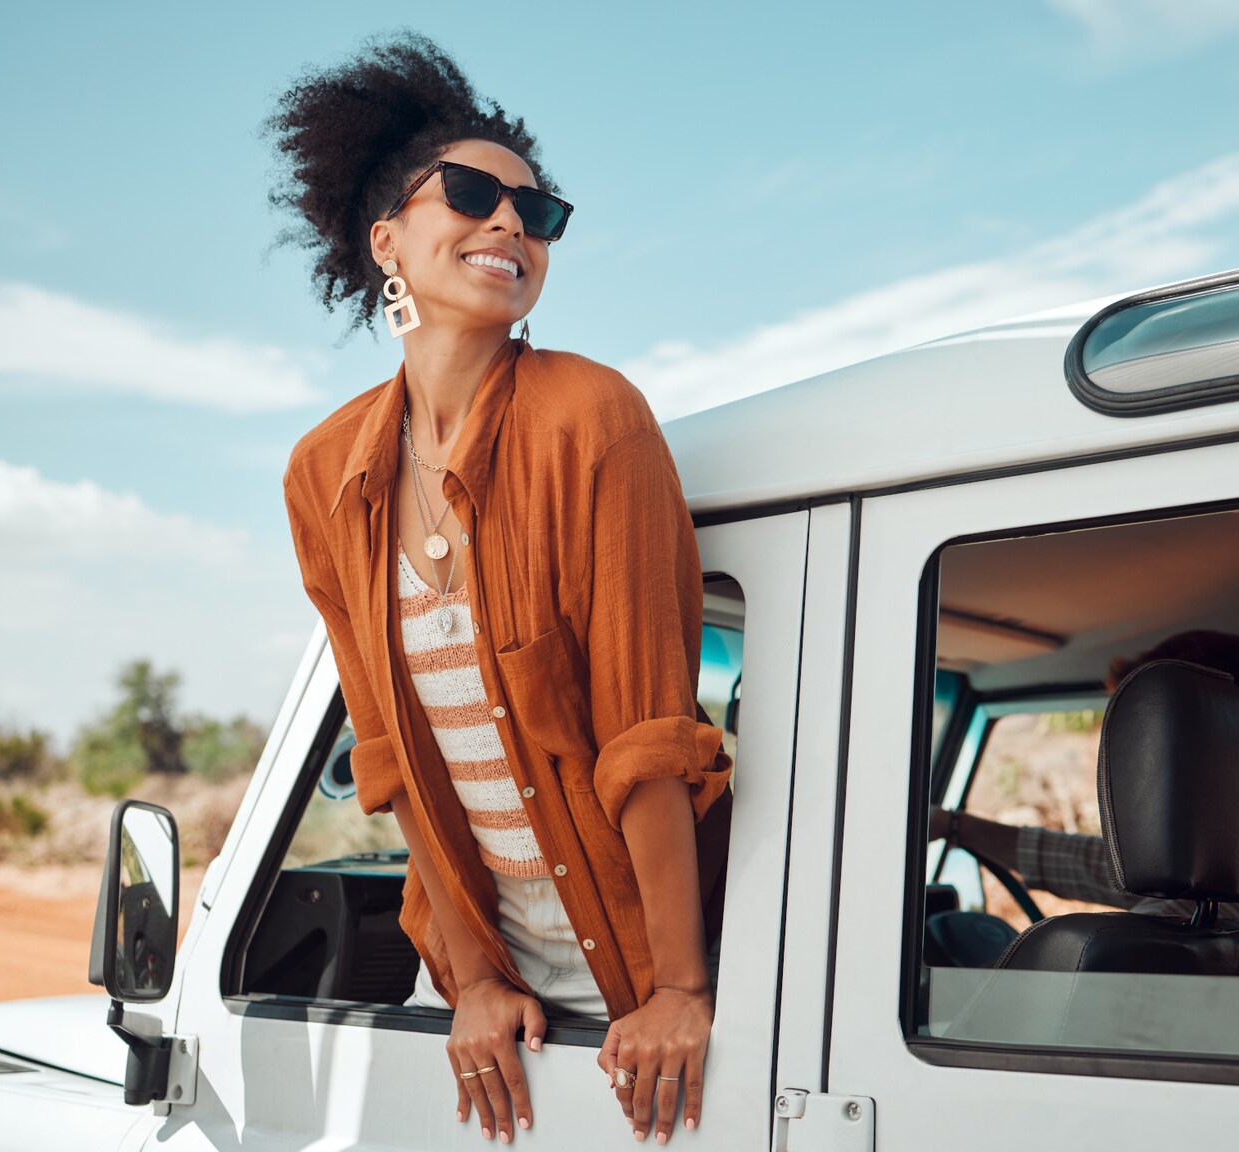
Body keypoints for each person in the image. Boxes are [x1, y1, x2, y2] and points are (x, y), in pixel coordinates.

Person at [269, 33, 731, 1146]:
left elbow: (646, 738)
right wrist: (469, 981)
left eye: (540, 211)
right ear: (387, 237)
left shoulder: (590, 419)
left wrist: (675, 990)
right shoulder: (323, 474)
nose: (510, 225)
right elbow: (388, 757)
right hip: (477, 984)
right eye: (473, 195)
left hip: (631, 973)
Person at [928, 630, 1239, 975]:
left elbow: (1011, 1005)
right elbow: (1096, 863)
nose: (1112, 763)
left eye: (1134, 735)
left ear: (1170, 749)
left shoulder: (1195, 931)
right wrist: (956, 826)